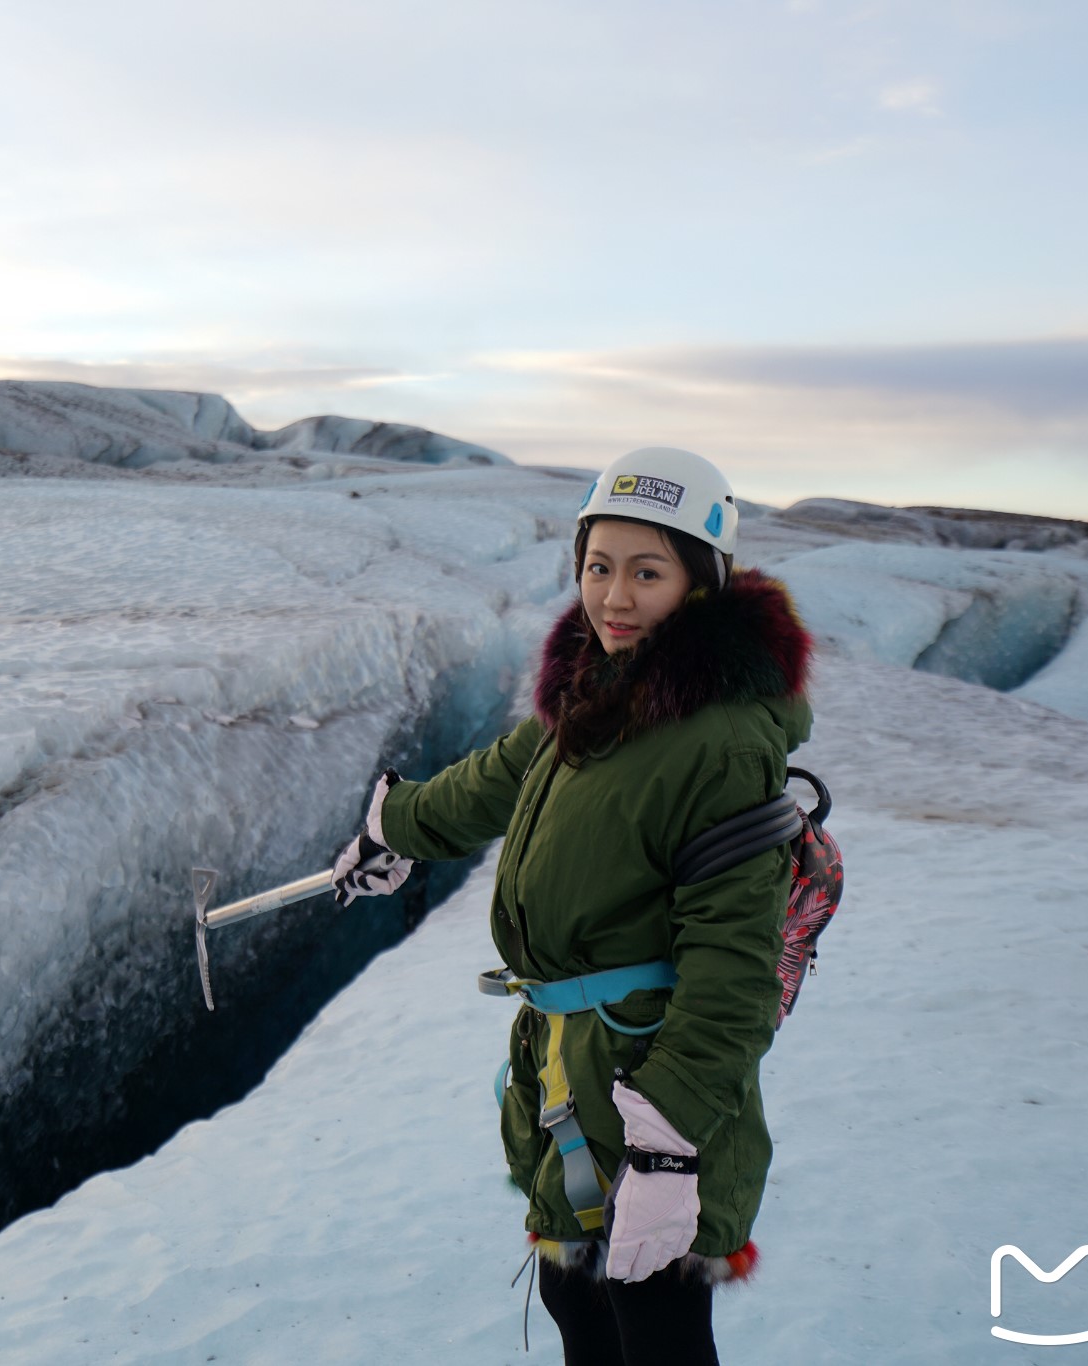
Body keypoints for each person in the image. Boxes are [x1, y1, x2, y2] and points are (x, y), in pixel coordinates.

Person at [332, 447, 813, 1365]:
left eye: (647, 571)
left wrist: (670, 1152)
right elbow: (490, 785)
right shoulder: (596, 698)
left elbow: (734, 976)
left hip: (653, 1080)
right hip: (572, 1077)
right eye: (599, 568)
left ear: (701, 584)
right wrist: (392, 824)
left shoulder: (718, 741)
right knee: (576, 1299)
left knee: (656, 1328)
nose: (615, 598)